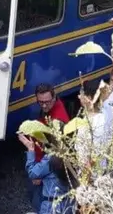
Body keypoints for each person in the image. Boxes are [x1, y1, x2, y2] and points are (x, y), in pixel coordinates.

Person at [29, 84, 71, 212]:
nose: (44, 106)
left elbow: (55, 154)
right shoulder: (53, 107)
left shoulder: (58, 120)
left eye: (47, 102)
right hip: (44, 162)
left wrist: (40, 174)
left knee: (38, 200)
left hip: (46, 166)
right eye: (40, 102)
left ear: (54, 98)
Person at [18, 133, 77, 214]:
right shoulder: (73, 156)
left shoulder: (51, 159)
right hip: (70, 204)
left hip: (52, 207)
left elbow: (32, 173)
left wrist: (31, 150)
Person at [74, 79, 110, 178]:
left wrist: (85, 174)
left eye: (81, 94)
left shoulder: (90, 123)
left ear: (89, 98)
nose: (79, 97)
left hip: (93, 175)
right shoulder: (104, 117)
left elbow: (88, 155)